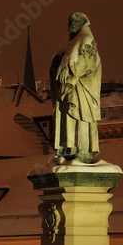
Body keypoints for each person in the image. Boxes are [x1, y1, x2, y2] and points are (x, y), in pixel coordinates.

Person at [50, 12, 102, 163]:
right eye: (70, 21)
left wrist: (70, 73)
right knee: (70, 117)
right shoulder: (69, 43)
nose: (71, 24)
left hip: (82, 89)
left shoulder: (86, 39)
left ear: (83, 24)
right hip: (68, 89)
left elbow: (87, 63)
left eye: (75, 21)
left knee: (81, 117)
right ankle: (70, 148)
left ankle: (83, 150)